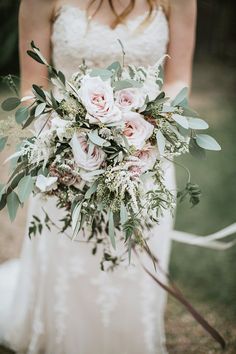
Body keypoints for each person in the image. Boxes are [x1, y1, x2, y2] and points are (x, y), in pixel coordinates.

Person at [0, 1, 197, 353]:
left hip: (144, 155)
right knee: (69, 253)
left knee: (132, 257)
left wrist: (146, 135)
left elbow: (179, 77)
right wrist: (61, 140)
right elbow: (32, 87)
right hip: (66, 156)